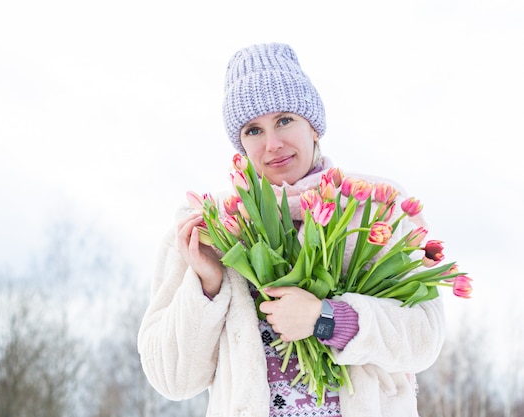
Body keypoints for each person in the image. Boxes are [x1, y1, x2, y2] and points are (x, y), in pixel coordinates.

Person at [137, 42, 446, 417]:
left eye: (284, 120)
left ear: (314, 127)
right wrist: (206, 285)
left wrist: (327, 318)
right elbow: (172, 378)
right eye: (253, 130)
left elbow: (425, 337)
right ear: (240, 147)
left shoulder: (373, 205)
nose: (272, 144)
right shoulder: (211, 227)